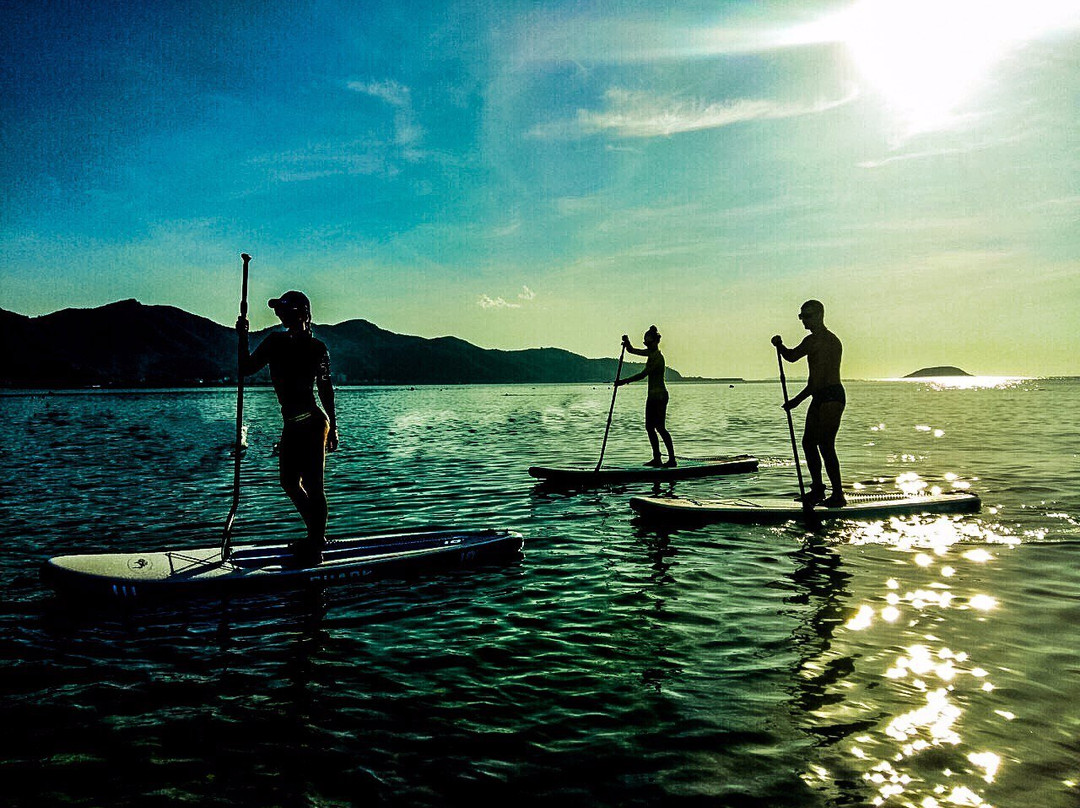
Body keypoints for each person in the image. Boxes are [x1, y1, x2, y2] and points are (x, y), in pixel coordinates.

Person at [237, 290, 339, 566]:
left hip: (314, 424)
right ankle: (316, 535)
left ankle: (315, 545)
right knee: (289, 482)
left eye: (286, 311)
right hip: (291, 425)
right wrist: (242, 336)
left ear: (302, 314)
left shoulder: (318, 348)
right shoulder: (275, 342)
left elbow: (325, 387)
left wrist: (334, 426)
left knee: (314, 487)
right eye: (279, 311)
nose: (281, 315)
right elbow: (246, 368)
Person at [772, 299, 845, 507]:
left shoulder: (829, 341)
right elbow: (792, 356)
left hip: (831, 396)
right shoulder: (810, 340)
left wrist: (796, 401)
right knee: (808, 443)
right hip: (818, 396)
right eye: (801, 316)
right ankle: (818, 490)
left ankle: (838, 494)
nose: (804, 320)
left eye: (808, 316)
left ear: (820, 315)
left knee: (826, 445)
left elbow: (817, 382)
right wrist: (780, 346)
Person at [616, 326, 676, 467]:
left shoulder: (657, 358)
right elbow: (632, 350)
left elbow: (643, 375)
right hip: (652, 397)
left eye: (649, 343)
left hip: (660, 396)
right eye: (646, 343)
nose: (647, 346)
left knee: (660, 428)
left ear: (655, 342)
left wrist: (623, 381)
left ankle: (672, 459)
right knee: (649, 427)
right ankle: (657, 458)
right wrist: (627, 342)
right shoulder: (650, 353)